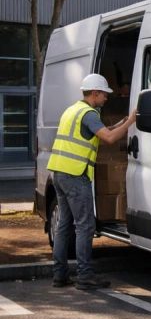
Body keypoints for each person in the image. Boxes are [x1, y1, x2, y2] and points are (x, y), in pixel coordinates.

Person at [48, 74, 136, 290]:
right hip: (76, 176)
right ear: (95, 93)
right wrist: (132, 121)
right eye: (104, 94)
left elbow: (97, 133)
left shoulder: (73, 110)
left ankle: (59, 275)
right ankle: (85, 276)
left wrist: (122, 122)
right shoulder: (89, 114)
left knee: (64, 226)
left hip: (59, 173)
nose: (106, 98)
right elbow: (109, 138)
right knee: (85, 226)